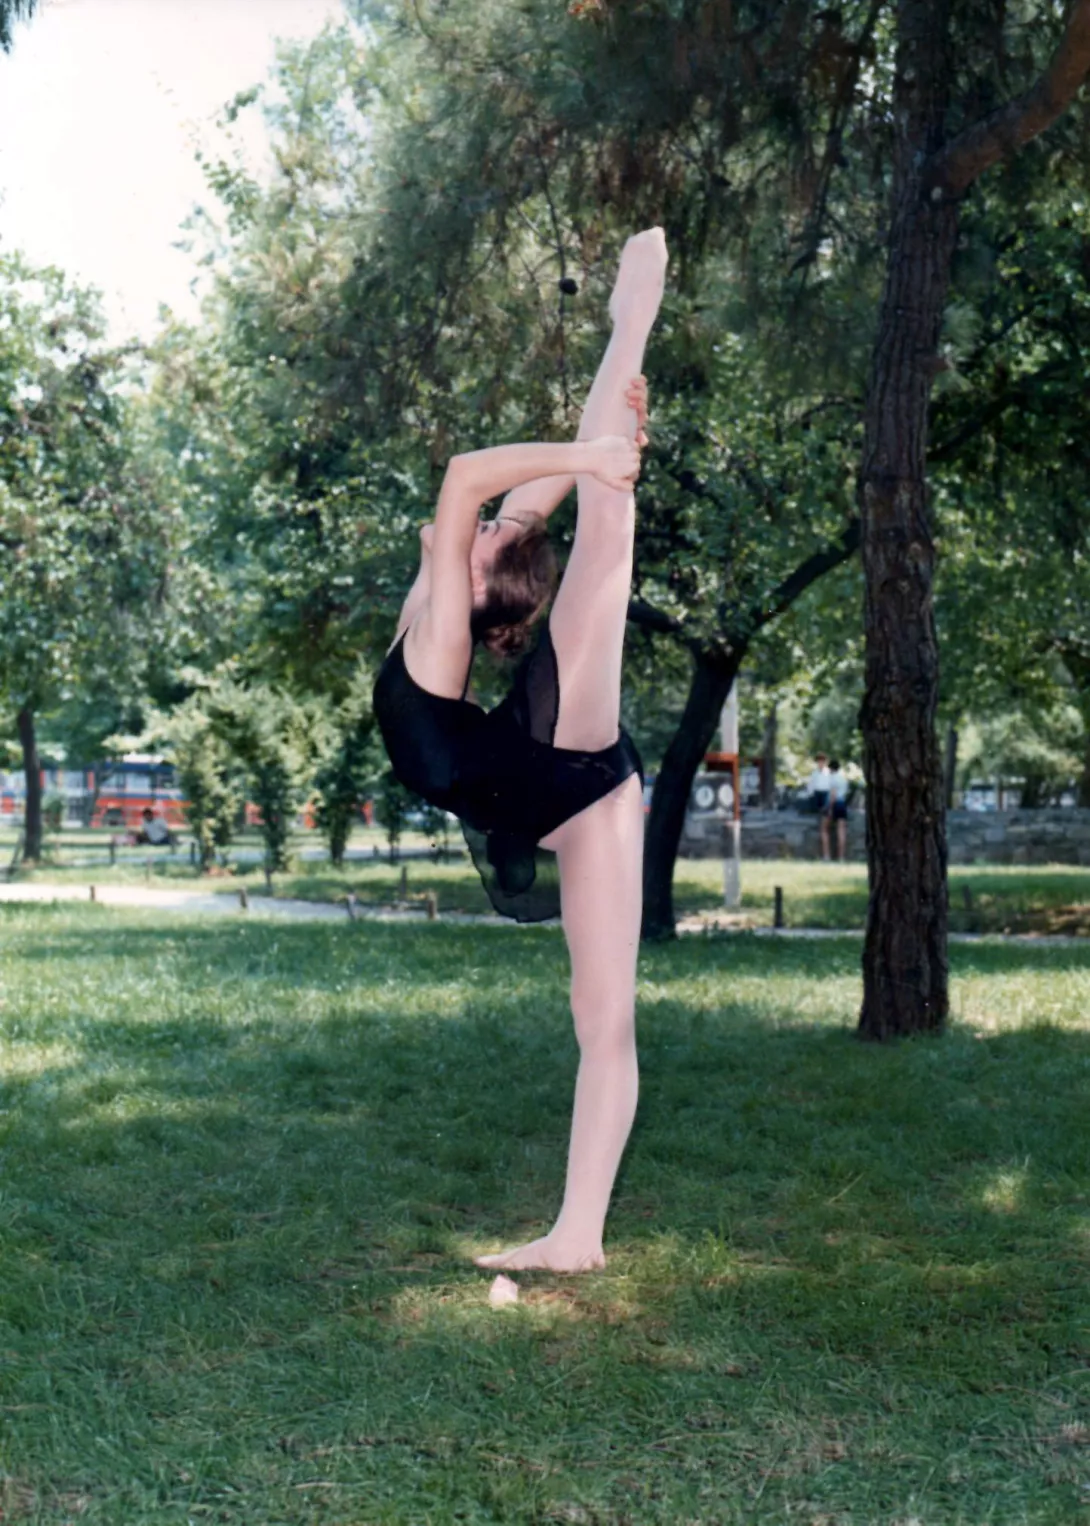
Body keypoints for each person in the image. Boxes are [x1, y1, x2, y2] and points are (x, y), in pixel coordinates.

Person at [372, 228, 669, 1273]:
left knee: (604, 550)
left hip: (557, 765)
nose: (499, 516)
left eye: (496, 529)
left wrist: (609, 406)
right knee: (600, 511)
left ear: (479, 565)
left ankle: (576, 1234)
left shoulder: (449, 616)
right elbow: (510, 488)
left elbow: (472, 480)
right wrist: (591, 446)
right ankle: (575, 1237)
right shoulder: (449, 593)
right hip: (555, 784)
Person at [825, 758, 850, 862]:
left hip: (835, 803)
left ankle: (827, 856)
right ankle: (841, 857)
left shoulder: (832, 778)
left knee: (825, 828)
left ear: (830, 768)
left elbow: (833, 794)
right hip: (843, 804)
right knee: (841, 831)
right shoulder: (843, 779)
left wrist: (830, 808)